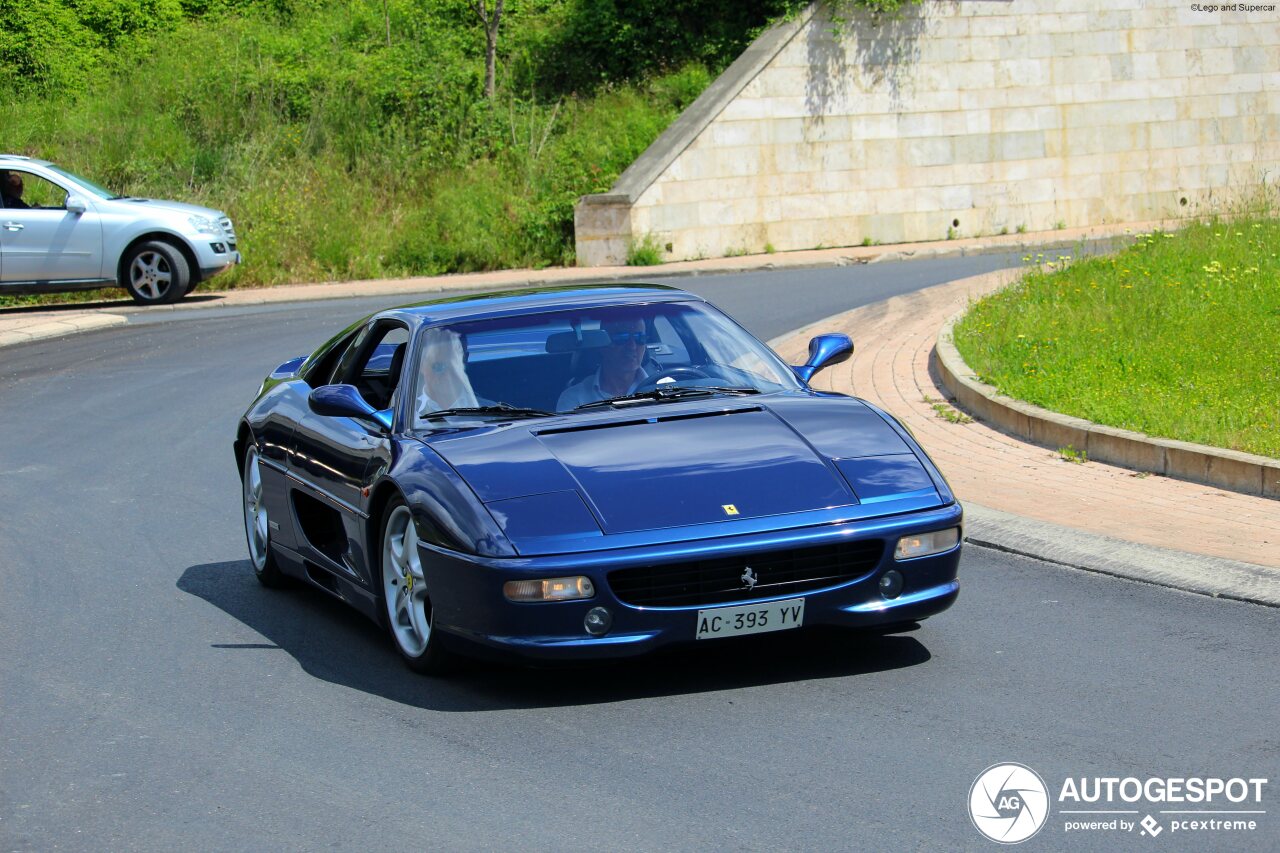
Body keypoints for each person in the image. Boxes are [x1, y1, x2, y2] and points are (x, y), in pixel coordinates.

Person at [557, 316, 650, 410]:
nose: (632, 346)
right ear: (603, 346)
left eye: (640, 338)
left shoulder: (660, 389)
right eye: (622, 338)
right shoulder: (574, 398)